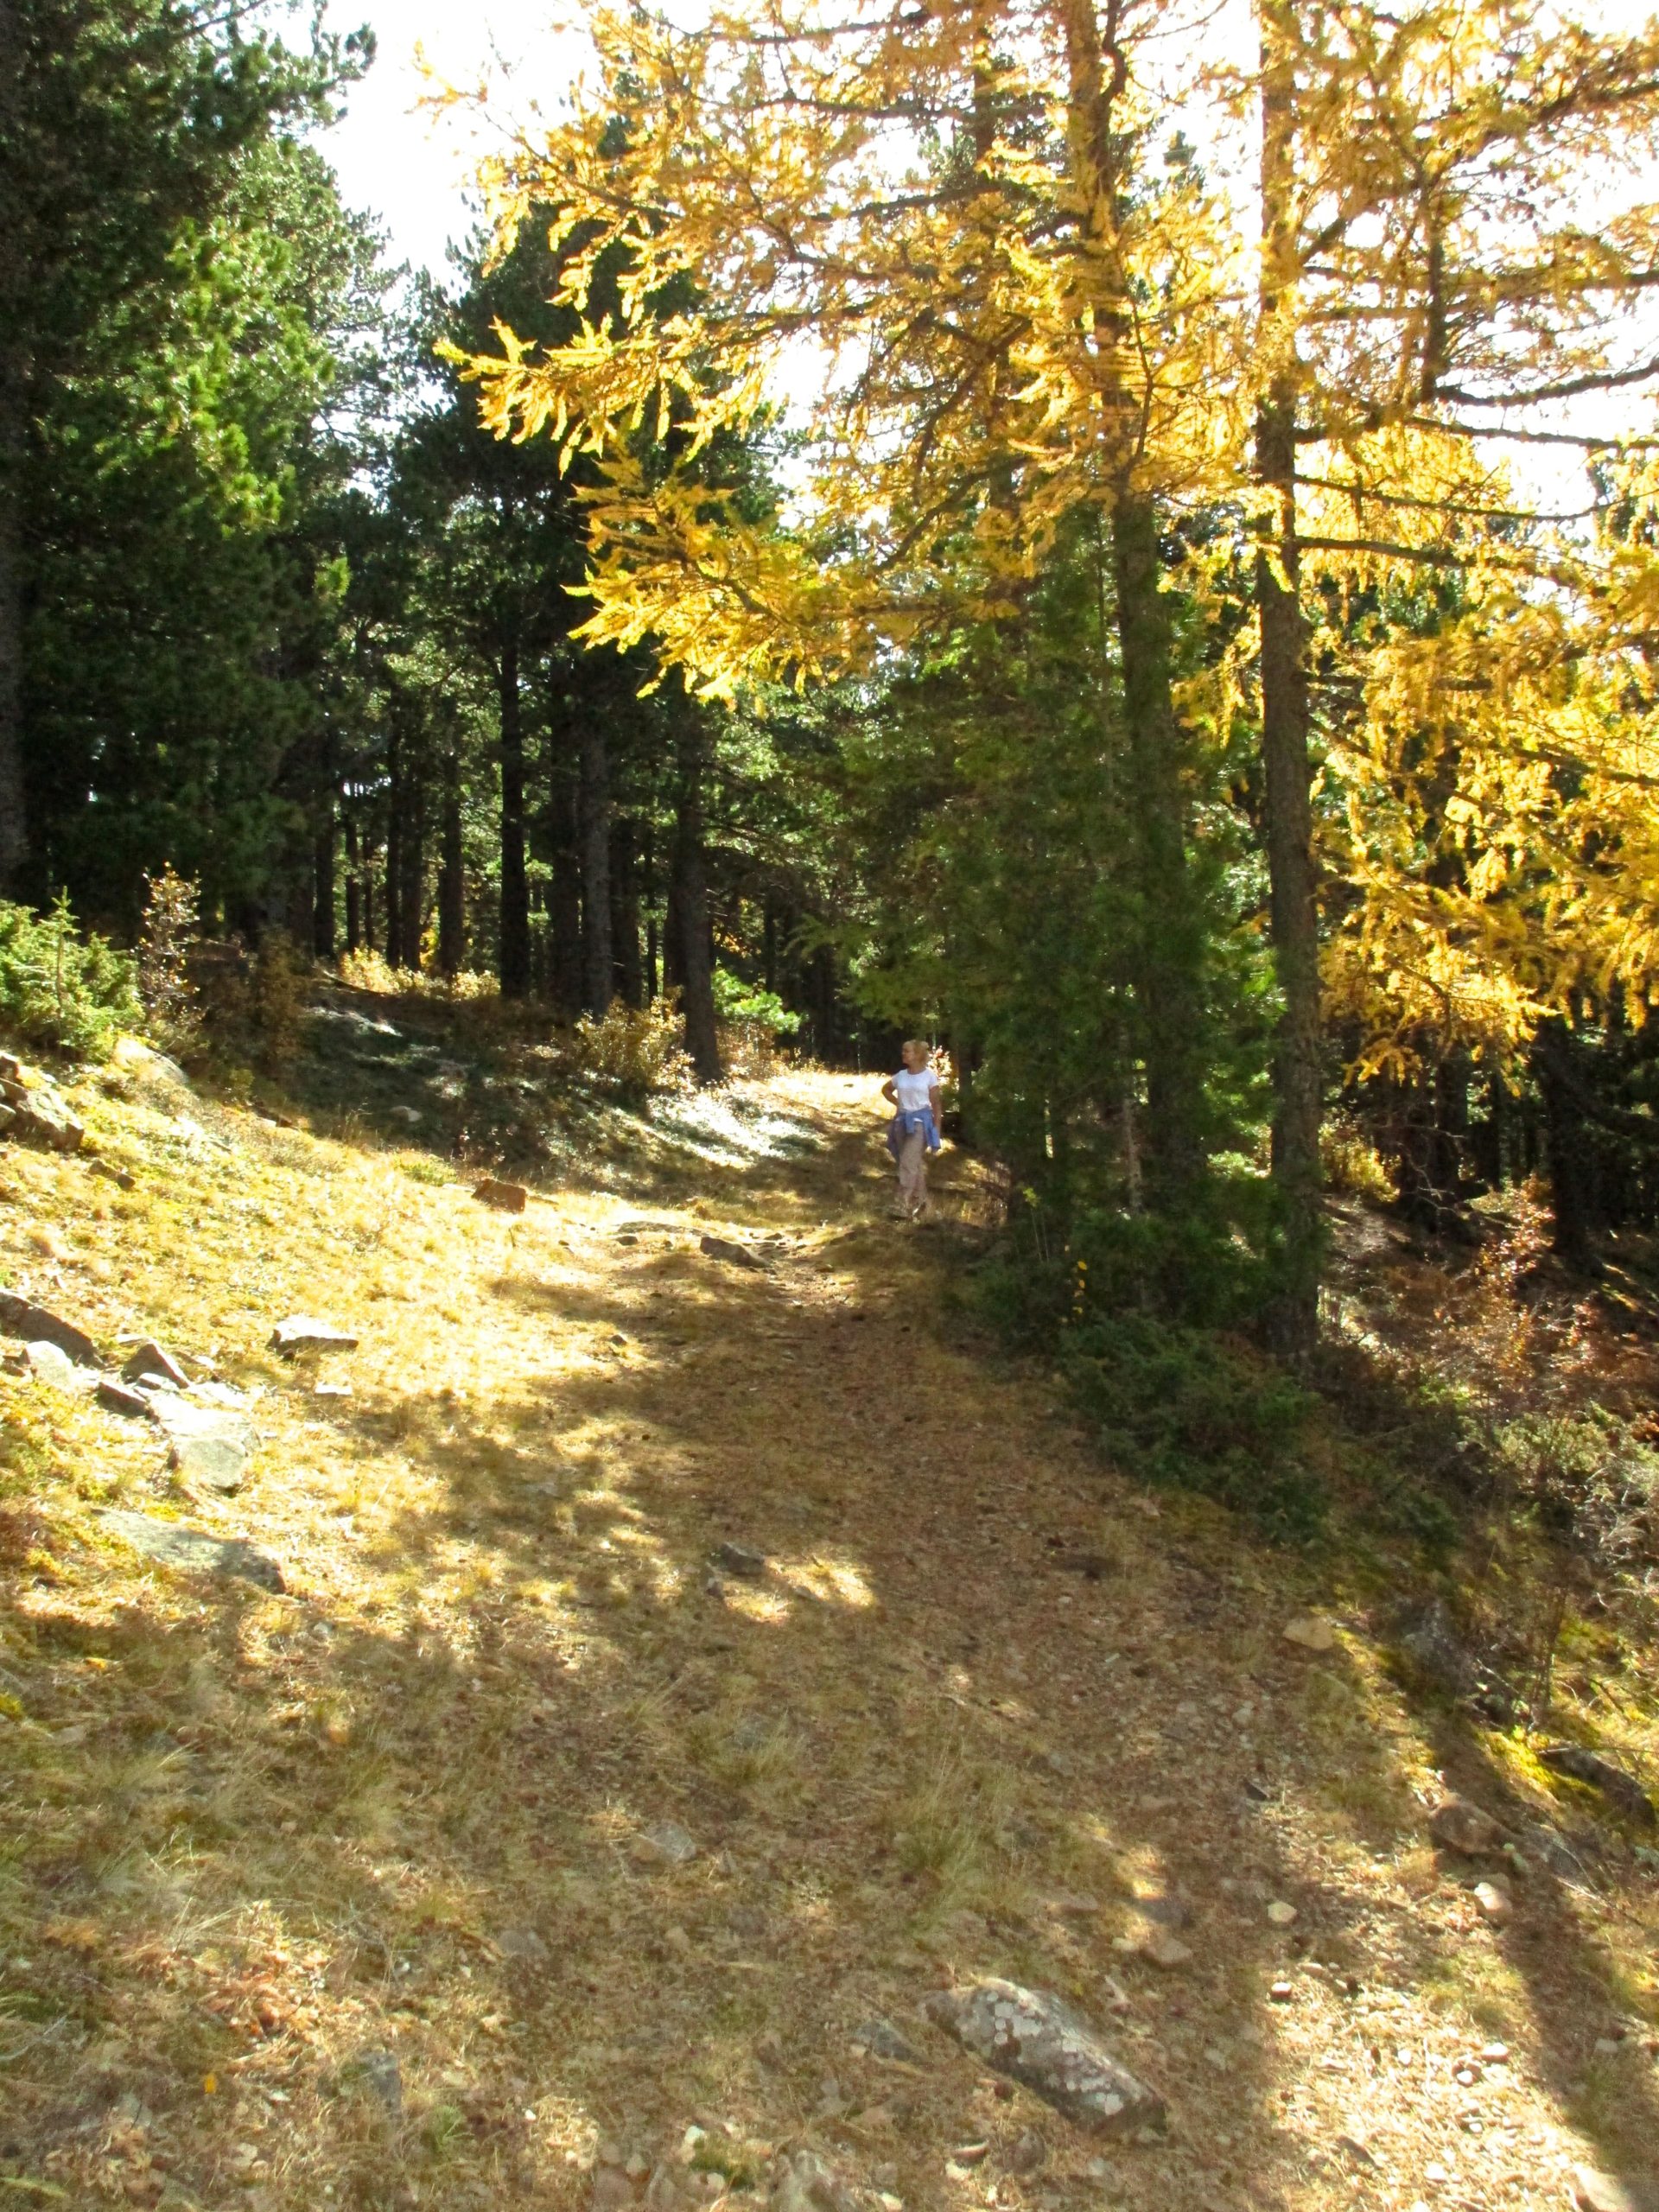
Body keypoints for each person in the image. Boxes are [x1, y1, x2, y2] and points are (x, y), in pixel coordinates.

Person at [881, 1039, 943, 1220]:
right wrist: (897, 1103)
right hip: (901, 1122)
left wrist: (937, 1130)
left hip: (920, 1123)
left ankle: (901, 1203)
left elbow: (937, 1104)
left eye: (906, 1051)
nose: (903, 1054)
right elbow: (885, 1090)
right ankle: (923, 1205)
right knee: (912, 1164)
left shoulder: (929, 1077)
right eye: (903, 1051)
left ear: (917, 1054)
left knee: (908, 1162)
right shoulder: (900, 1076)